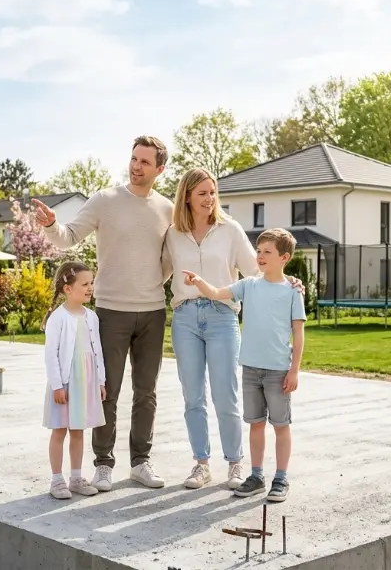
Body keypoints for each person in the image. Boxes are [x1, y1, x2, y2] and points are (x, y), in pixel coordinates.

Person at [32, 135, 174, 491]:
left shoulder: (168, 209)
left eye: (145, 162)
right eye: (134, 158)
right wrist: (51, 224)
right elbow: (67, 237)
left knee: (147, 392)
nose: (136, 166)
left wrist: (152, 281)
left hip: (153, 312)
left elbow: (171, 259)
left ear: (160, 169)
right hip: (111, 311)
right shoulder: (105, 201)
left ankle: (141, 462)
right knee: (106, 391)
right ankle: (104, 464)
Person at [180, 228, 306, 503]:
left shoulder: (293, 292)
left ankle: (281, 478)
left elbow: (298, 334)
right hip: (250, 369)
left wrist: (294, 370)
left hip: (278, 371)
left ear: (284, 258)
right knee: (256, 424)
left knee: (281, 425)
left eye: (266, 252)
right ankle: (257, 476)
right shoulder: (248, 285)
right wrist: (199, 281)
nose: (259, 256)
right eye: (258, 251)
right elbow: (216, 293)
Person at [165, 168, 260, 490]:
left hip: (222, 315)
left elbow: (254, 272)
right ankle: (201, 464)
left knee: (225, 395)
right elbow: (159, 272)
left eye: (213, 192)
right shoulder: (173, 233)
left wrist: (287, 282)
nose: (209, 199)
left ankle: (235, 464)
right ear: (187, 196)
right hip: (185, 317)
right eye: (202, 193)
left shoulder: (229, 229)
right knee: (192, 396)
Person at [41, 261, 107, 500]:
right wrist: (57, 385)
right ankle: (57, 480)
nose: (90, 288)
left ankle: (76, 478)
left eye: (92, 283)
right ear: (68, 288)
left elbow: (97, 349)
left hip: (85, 381)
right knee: (60, 430)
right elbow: (51, 354)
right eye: (85, 284)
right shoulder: (58, 318)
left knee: (78, 430)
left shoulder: (92, 316)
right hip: (66, 382)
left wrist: (100, 381)